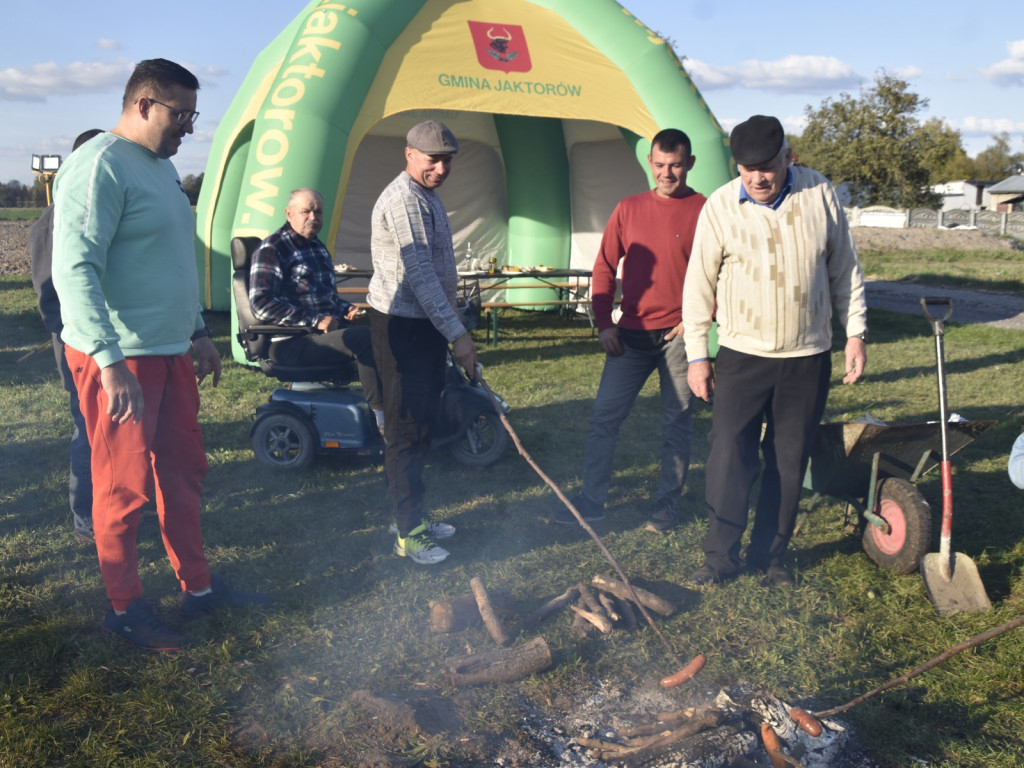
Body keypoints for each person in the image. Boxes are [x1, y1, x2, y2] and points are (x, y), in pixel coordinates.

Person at [51, 58, 266, 652]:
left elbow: (169, 259)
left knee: (183, 472)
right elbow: (75, 269)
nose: (188, 128)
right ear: (143, 104)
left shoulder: (163, 172)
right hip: (121, 358)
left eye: (193, 116)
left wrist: (198, 331)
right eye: (181, 115)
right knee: (122, 488)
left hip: (172, 351)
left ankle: (198, 589)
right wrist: (108, 360)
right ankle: (125, 608)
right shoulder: (98, 166)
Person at [682, 114, 868, 588]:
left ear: (788, 157)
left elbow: (845, 269)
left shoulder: (819, 194)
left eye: (767, 166)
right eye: (747, 169)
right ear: (735, 166)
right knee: (728, 454)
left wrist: (855, 332)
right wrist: (699, 355)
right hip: (743, 355)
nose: (758, 178)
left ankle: (770, 556)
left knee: (789, 459)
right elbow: (698, 286)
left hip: (807, 356)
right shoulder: (721, 207)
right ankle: (720, 557)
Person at [557, 128, 705, 532]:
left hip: (680, 336)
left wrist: (695, 321)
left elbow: (721, 273)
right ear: (650, 163)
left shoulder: (705, 211)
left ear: (690, 164)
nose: (667, 173)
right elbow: (604, 266)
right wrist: (605, 323)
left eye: (675, 165)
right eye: (660, 164)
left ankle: (666, 506)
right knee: (604, 418)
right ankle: (592, 502)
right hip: (632, 335)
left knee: (677, 422)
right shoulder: (629, 208)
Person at [367, 120, 477, 565]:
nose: (442, 168)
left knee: (424, 424)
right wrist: (459, 334)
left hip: (424, 326)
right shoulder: (403, 199)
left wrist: (449, 327)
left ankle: (411, 516)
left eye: (448, 160)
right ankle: (408, 533)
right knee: (405, 429)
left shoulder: (425, 194)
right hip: (401, 328)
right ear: (409, 154)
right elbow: (421, 276)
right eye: (434, 160)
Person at [249, 188, 383, 426]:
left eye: (318, 211)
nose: (313, 217)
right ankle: (383, 419)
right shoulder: (273, 249)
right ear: (289, 213)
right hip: (291, 343)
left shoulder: (317, 247)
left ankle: (402, 403)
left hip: (319, 336)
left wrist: (345, 309)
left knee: (385, 327)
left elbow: (325, 299)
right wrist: (314, 320)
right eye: (305, 211)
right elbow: (261, 304)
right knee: (365, 340)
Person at [29, 128, 103, 540]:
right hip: (78, 347)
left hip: (103, 343)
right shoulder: (51, 223)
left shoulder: (90, 211)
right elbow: (49, 298)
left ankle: (116, 504)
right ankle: (85, 516)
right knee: (88, 430)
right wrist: (78, 339)